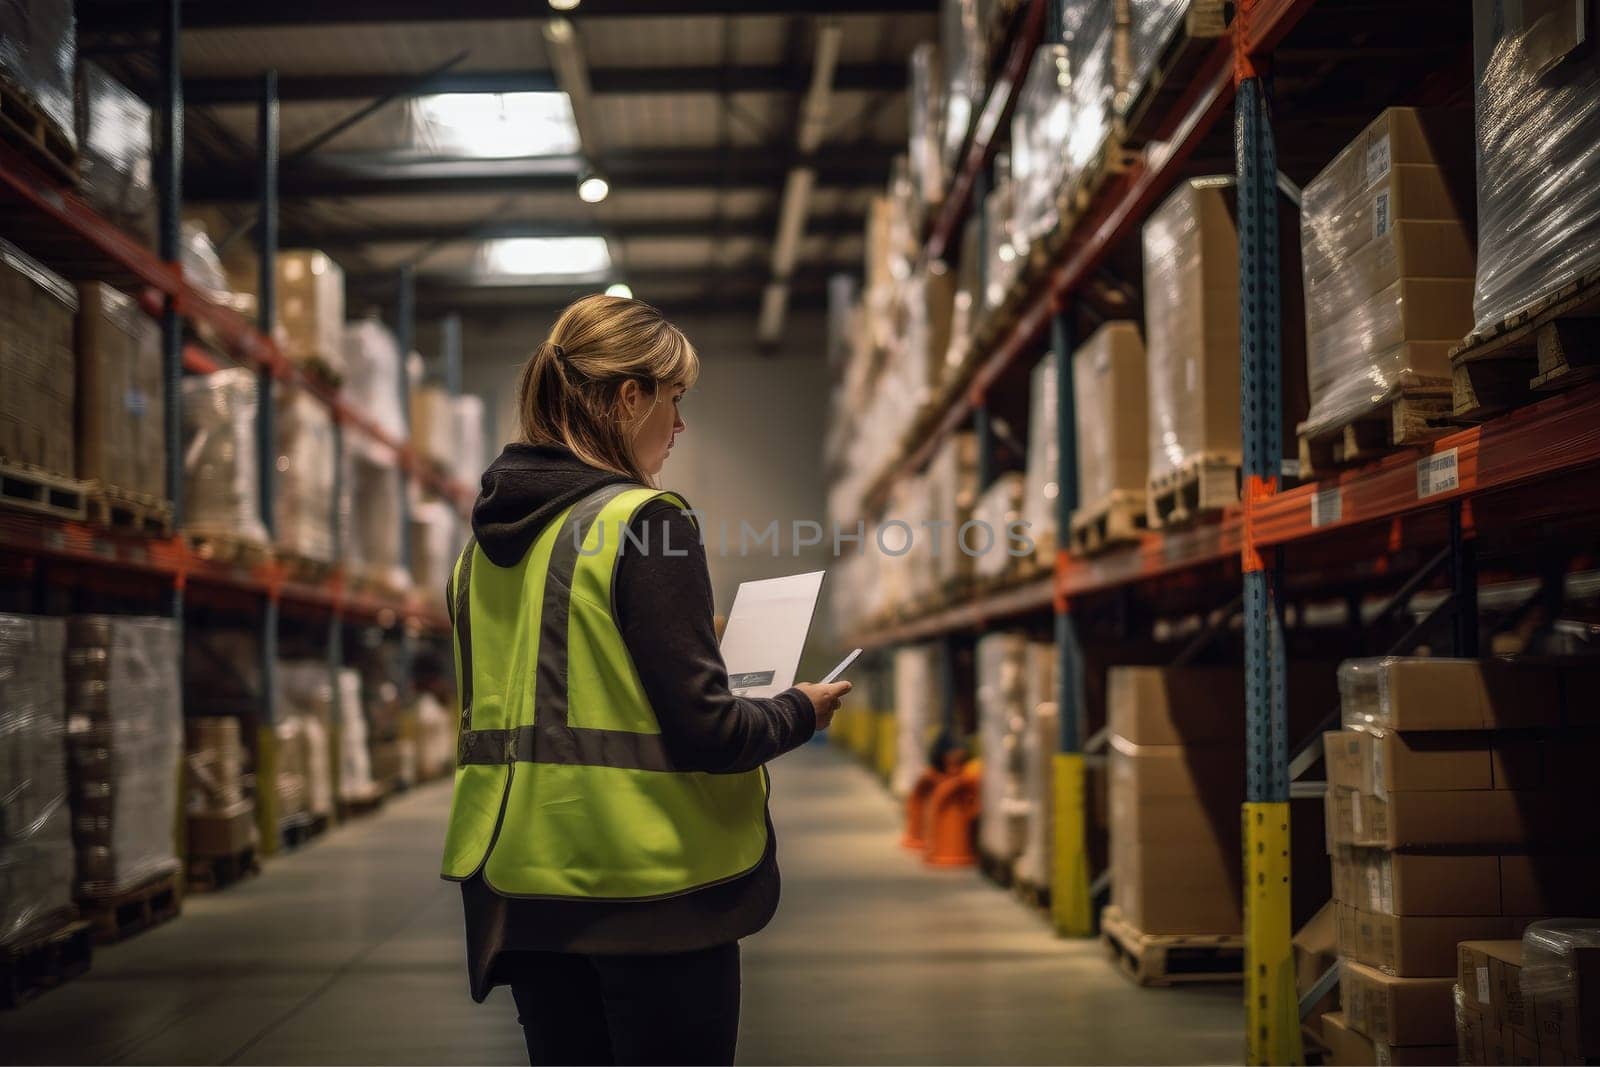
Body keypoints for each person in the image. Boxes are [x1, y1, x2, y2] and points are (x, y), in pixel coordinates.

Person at [440, 293, 852, 1066]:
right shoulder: (646, 521)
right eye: (675, 397)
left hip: (521, 888)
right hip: (646, 894)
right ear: (630, 397)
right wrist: (801, 707)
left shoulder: (480, 551)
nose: (681, 422)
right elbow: (711, 732)